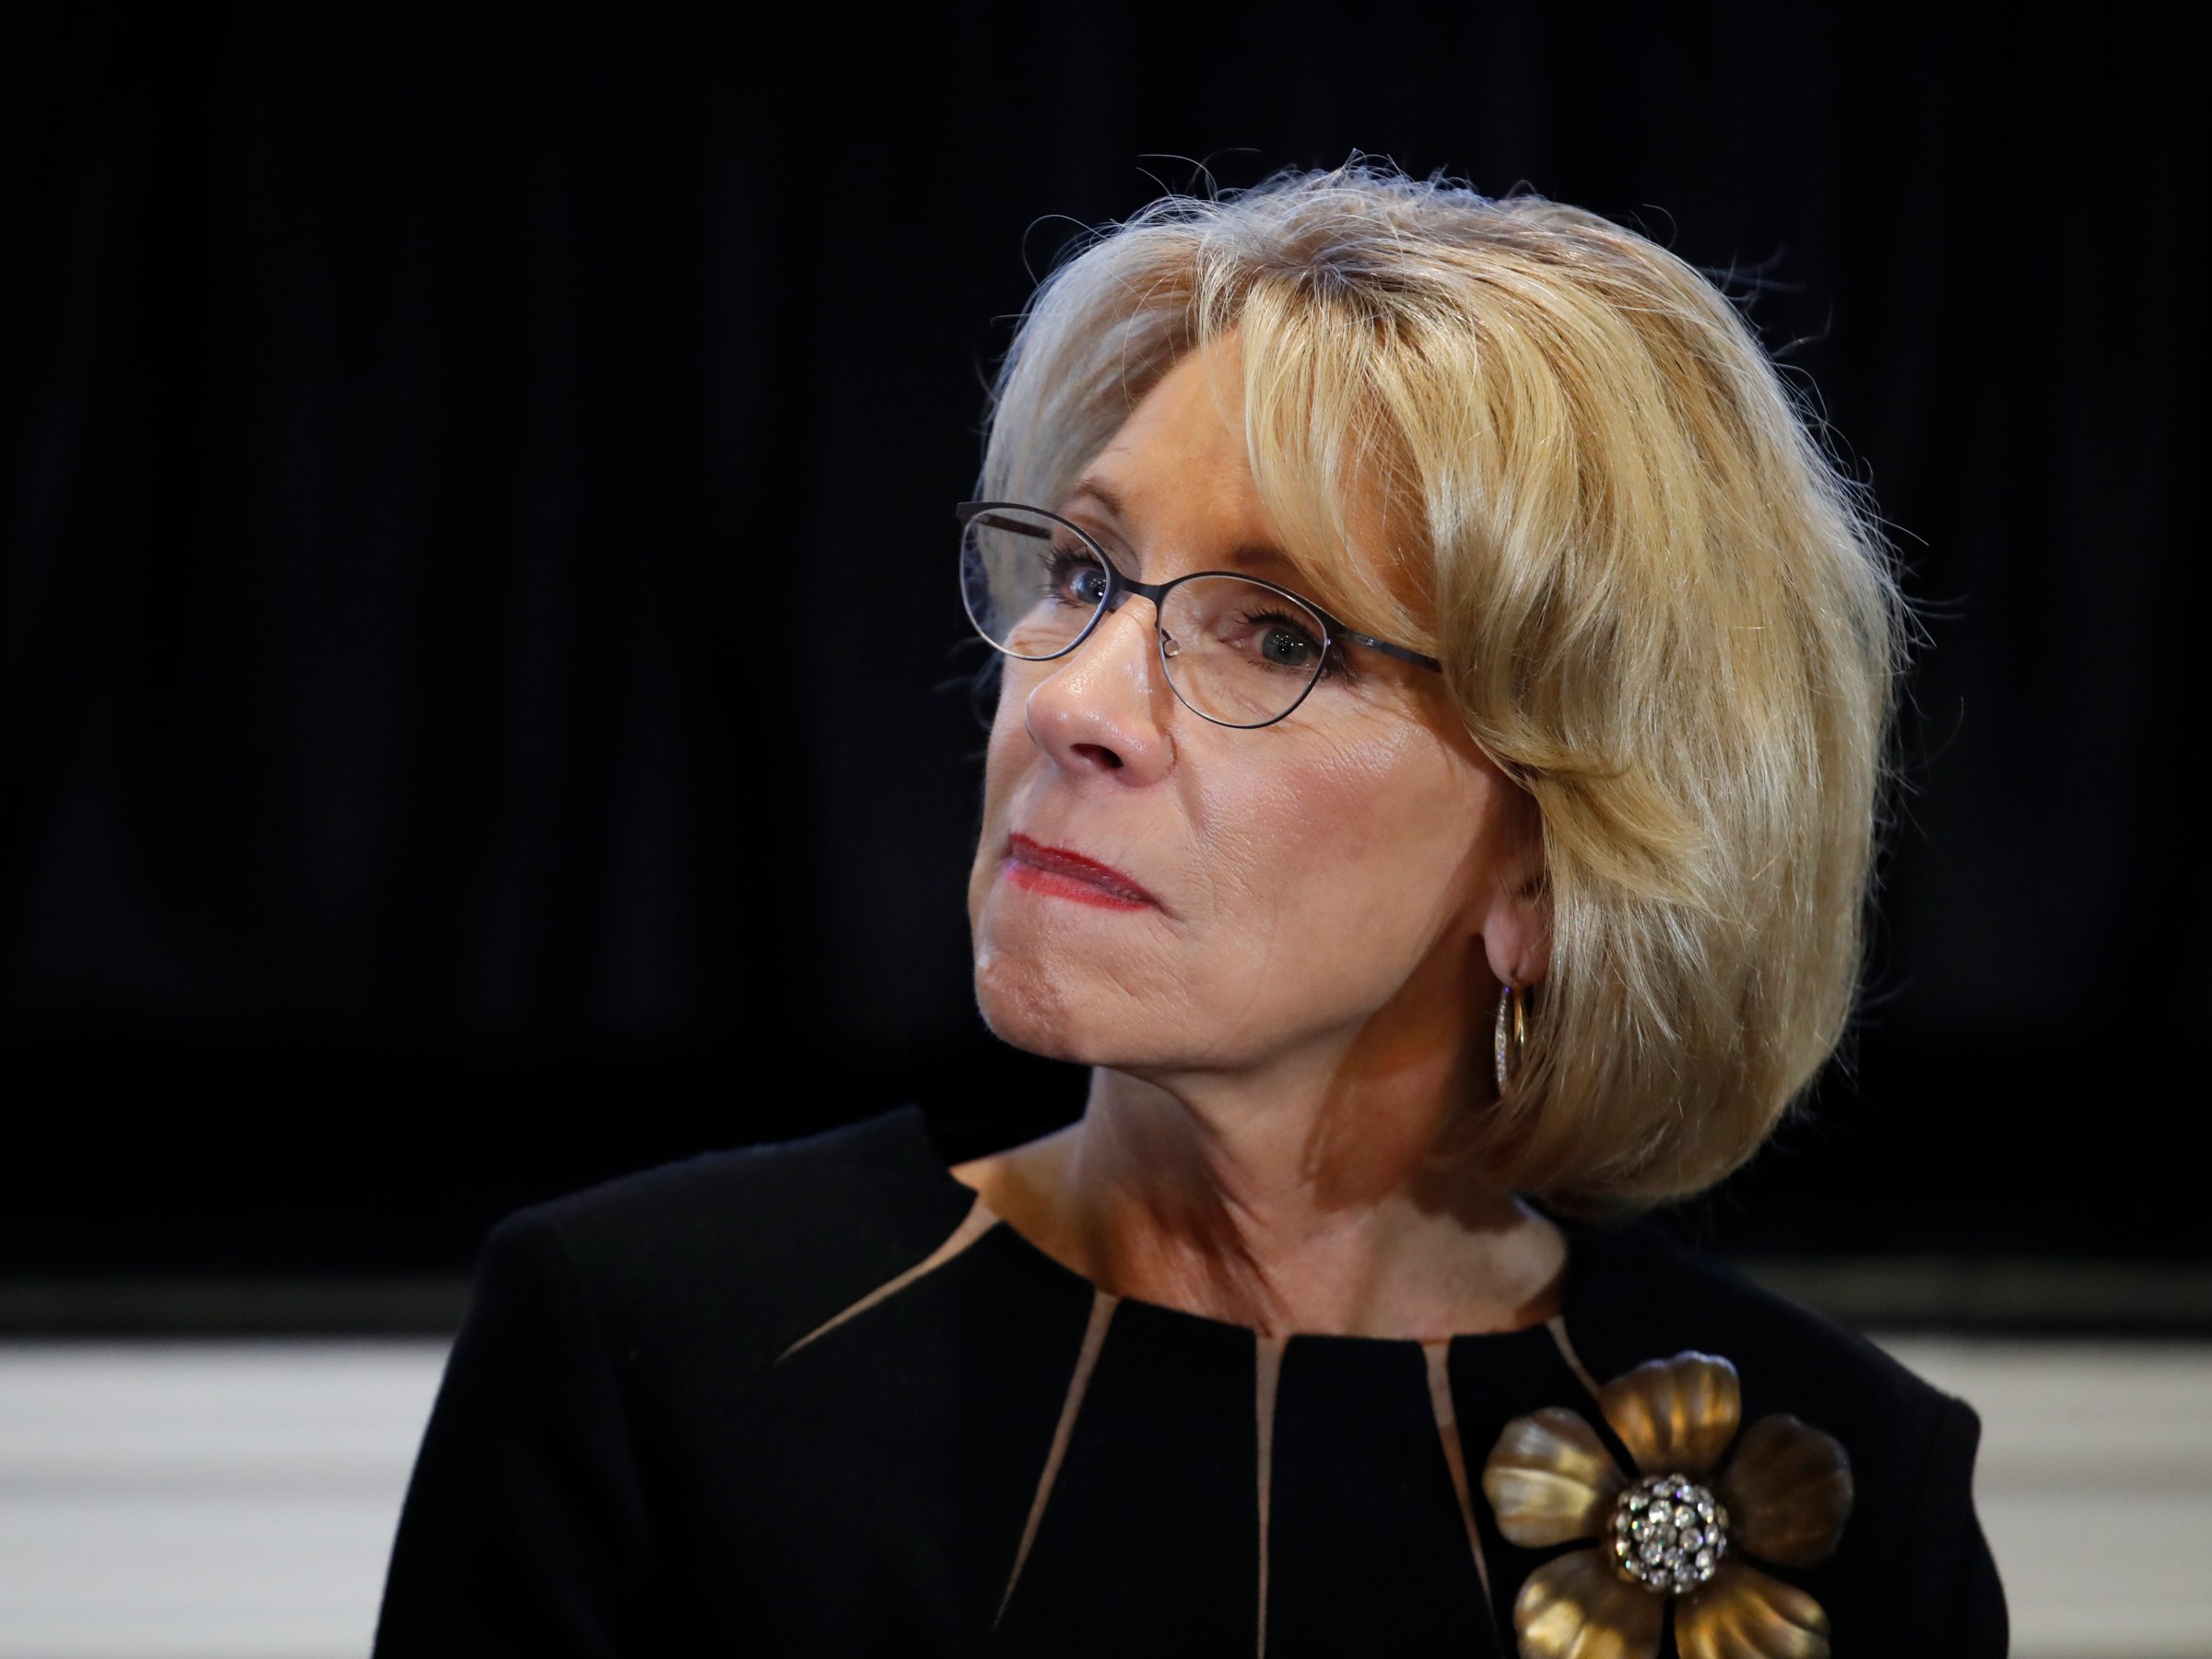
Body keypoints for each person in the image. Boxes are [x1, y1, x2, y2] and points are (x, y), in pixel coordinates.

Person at [373, 163, 2006, 1657]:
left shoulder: (1851, 1493)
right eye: (1082, 572)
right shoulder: (651, 1350)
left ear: (1556, 857)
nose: (1069, 700)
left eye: (1282, 637)